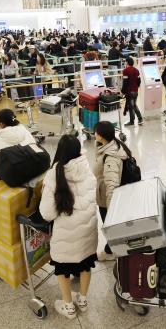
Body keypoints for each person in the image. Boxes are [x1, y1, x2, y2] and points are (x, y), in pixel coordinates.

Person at [40, 135, 98, 320]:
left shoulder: (54, 174)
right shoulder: (87, 168)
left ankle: (68, 307)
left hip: (66, 235)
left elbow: (47, 214)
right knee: (86, 265)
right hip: (88, 229)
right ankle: (82, 300)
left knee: (63, 269)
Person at [93, 121, 131, 260]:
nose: (94, 134)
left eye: (96, 132)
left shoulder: (110, 158)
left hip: (107, 200)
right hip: (109, 195)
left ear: (102, 136)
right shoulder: (114, 144)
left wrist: (111, 212)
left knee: (110, 226)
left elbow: (112, 185)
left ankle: (110, 252)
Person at [121, 57, 143, 126]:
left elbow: (125, 83)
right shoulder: (136, 70)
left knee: (132, 106)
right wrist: (137, 86)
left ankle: (138, 119)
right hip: (135, 91)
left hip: (129, 91)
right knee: (132, 105)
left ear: (127, 62)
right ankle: (134, 120)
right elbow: (139, 80)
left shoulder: (125, 71)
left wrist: (122, 92)